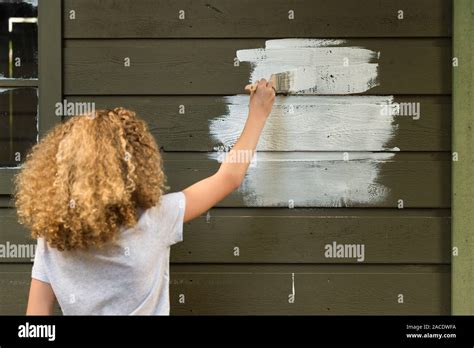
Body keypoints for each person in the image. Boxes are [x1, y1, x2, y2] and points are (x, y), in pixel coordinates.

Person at [15, 78, 276, 315]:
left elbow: (36, 317)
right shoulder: (157, 217)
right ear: (133, 164)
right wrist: (258, 112)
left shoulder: (52, 234)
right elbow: (229, 177)